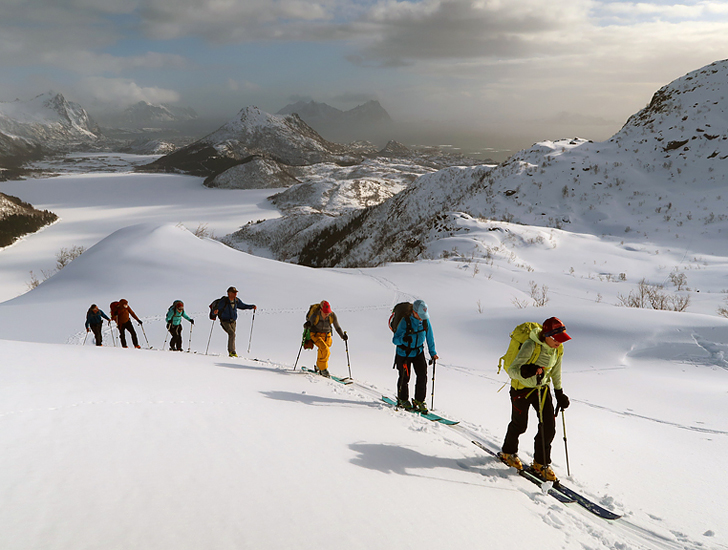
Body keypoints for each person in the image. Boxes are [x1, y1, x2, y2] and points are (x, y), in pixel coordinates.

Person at [499, 317, 572, 482]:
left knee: (549, 427)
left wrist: (559, 392)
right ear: (547, 335)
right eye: (557, 339)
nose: (559, 343)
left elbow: (555, 371)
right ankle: (508, 453)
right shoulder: (530, 345)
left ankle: (541, 463)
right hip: (521, 389)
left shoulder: (557, 350)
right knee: (520, 424)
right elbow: (512, 370)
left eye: (562, 340)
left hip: (542, 389)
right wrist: (526, 371)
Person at [391, 299, 438, 413]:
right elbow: (395, 340)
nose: (422, 317)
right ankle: (402, 399)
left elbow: (430, 337)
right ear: (414, 312)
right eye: (420, 315)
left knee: (422, 376)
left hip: (418, 352)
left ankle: (419, 400)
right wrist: (403, 339)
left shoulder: (425, 322)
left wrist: (433, 353)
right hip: (404, 353)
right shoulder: (405, 321)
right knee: (405, 377)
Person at [304, 300, 347, 378]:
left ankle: (318, 366)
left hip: (327, 336)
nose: (327, 315)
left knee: (325, 351)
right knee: (325, 349)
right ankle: (323, 369)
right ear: (321, 310)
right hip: (316, 335)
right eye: (325, 313)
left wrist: (342, 336)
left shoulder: (332, 315)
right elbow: (308, 324)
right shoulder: (315, 315)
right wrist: (307, 325)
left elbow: (337, 327)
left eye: (328, 313)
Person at [213, 286, 256, 357]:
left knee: (232, 335)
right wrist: (214, 313)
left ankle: (232, 351)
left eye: (236, 292)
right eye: (234, 292)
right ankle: (232, 351)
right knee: (232, 334)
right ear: (229, 293)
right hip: (225, 321)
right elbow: (216, 309)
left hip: (233, 321)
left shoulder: (236, 301)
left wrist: (251, 306)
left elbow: (243, 306)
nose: (235, 294)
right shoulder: (223, 302)